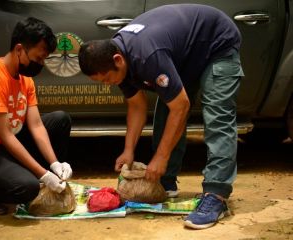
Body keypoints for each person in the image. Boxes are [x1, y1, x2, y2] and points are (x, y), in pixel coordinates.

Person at [78, 4, 244, 229]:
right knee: (166, 109)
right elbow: (137, 106)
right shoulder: (117, 61)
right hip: (185, 55)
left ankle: (216, 195)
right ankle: (166, 182)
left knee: (216, 116)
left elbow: (181, 106)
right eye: (101, 82)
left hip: (216, 43)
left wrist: (161, 158)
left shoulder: (146, 55)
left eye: (107, 78)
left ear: (118, 60)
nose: (108, 84)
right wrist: (128, 150)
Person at [0, 17, 73, 216]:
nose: (40, 64)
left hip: (8, 143)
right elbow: (5, 135)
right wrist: (42, 174)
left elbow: (36, 125)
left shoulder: (25, 80)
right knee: (27, 188)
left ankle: (52, 180)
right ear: (19, 49)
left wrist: (54, 164)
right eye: (38, 59)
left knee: (60, 120)